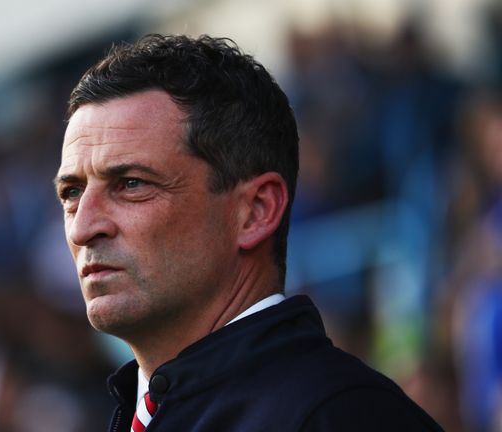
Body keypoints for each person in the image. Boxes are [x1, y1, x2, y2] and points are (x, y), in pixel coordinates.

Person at [53, 34, 443, 432]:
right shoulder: (153, 410)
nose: (83, 227)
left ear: (256, 211)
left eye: (132, 184)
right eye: (71, 193)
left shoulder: (341, 417)